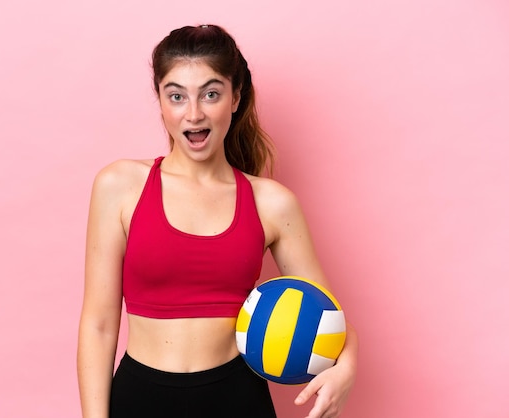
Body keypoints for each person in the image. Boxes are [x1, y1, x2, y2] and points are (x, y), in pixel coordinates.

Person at [77, 24, 358, 418]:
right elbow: (99, 324)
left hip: (237, 399)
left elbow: (329, 315)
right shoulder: (119, 186)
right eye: (176, 96)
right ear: (160, 101)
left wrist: (347, 367)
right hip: (140, 399)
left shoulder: (271, 202)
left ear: (235, 97)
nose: (194, 114)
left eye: (211, 94)